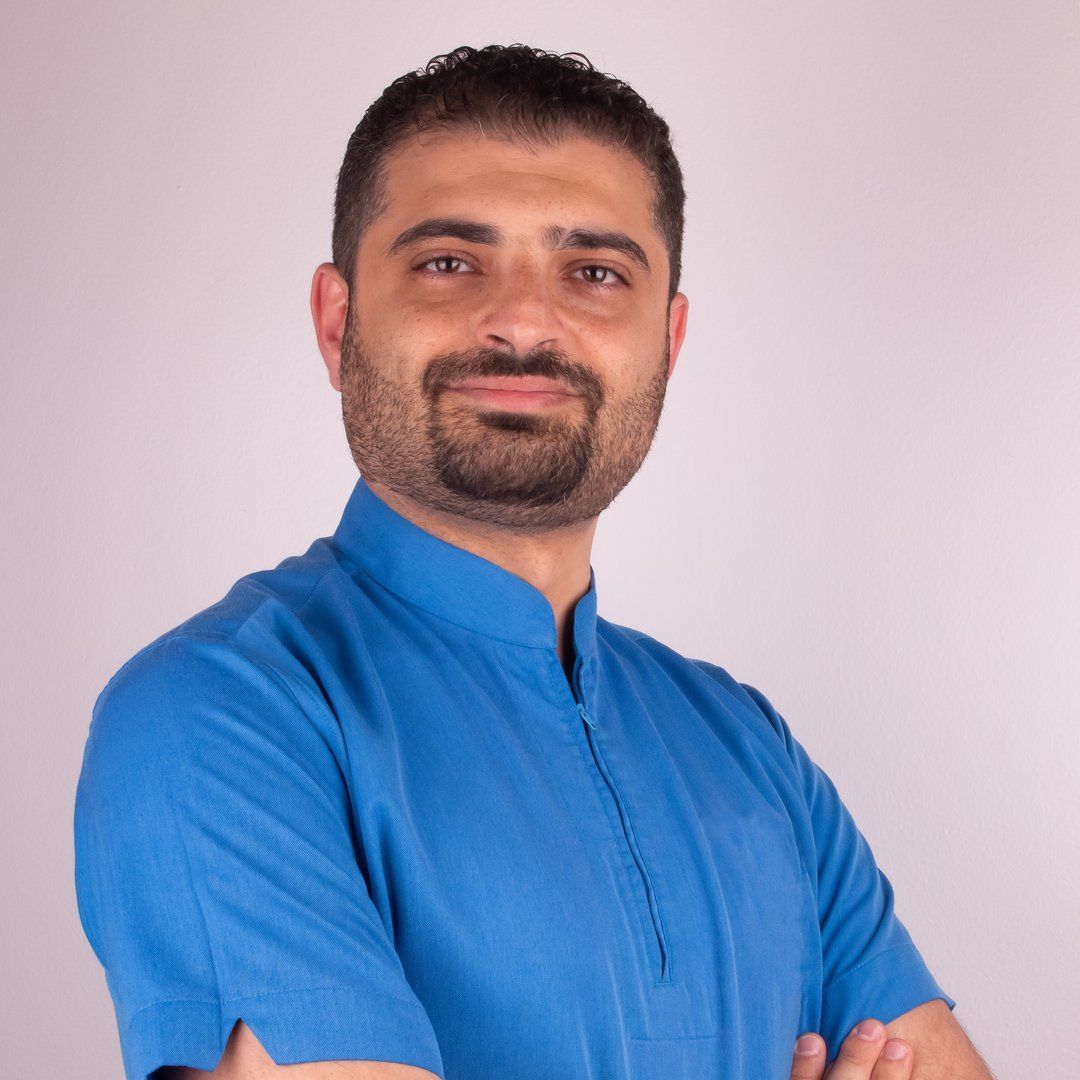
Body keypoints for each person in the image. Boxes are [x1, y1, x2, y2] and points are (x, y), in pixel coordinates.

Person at [73, 44, 994, 1080]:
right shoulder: (218, 712)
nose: (522, 319)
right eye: (448, 262)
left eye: (594, 273)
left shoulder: (749, 748)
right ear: (338, 324)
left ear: (668, 342)